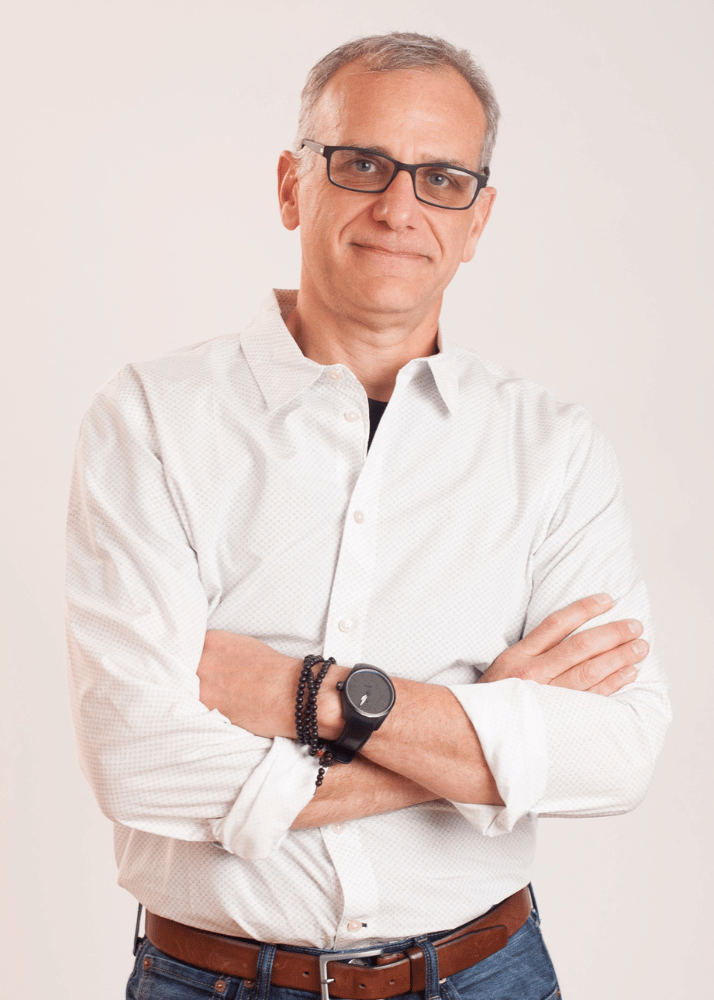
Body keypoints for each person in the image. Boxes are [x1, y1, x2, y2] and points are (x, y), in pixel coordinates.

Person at [66, 32, 671, 1000]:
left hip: (487, 973)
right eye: (362, 165)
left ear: (477, 220)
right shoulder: (149, 417)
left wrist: (310, 694)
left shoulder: (552, 447)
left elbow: (616, 754)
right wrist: (479, 734)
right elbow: (139, 762)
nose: (399, 208)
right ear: (290, 185)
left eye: (442, 179)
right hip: (215, 980)